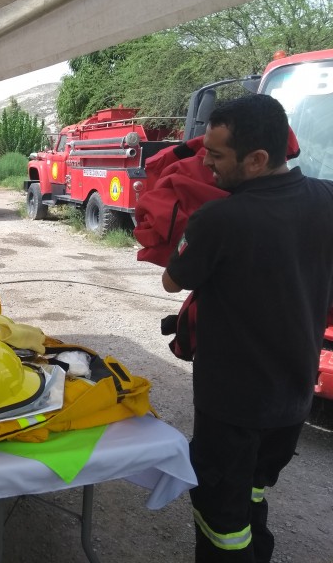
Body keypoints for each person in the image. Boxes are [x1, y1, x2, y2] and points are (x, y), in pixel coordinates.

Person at [161, 94, 333, 563]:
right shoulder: (327, 197)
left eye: (216, 156)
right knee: (254, 488)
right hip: (293, 397)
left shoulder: (220, 218)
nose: (206, 164)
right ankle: (258, 549)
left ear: (256, 160)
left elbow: (173, 279)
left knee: (219, 510)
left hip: (233, 404)